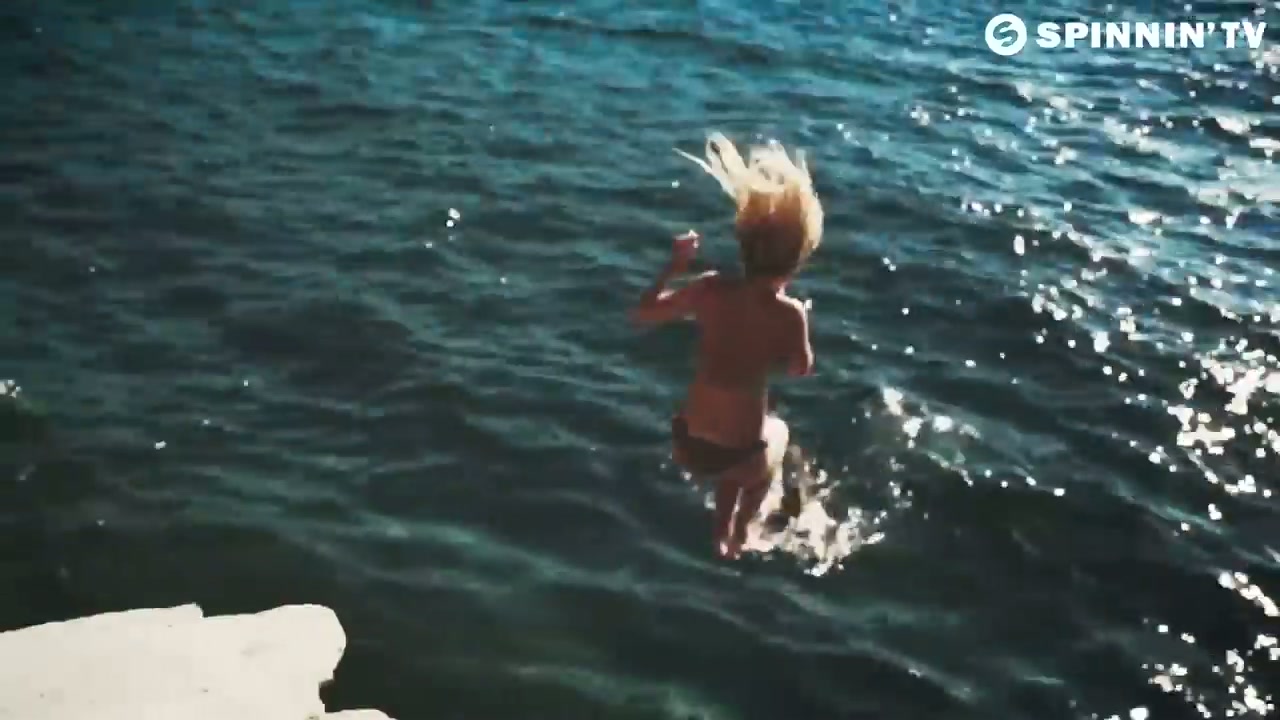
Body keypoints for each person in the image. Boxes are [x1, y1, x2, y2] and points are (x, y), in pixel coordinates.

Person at [630, 132, 823, 559]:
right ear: (797, 259)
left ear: (743, 246)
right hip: (741, 455)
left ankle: (720, 528)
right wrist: (795, 332)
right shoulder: (790, 313)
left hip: (687, 445)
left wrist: (675, 266)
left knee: (734, 452)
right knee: (775, 435)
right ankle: (739, 533)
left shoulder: (708, 290)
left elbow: (642, 314)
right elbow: (800, 368)